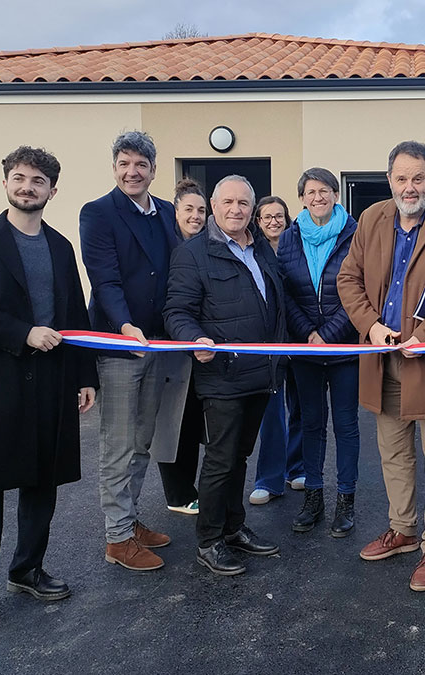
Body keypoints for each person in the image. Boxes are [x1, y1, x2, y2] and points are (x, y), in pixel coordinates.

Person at [0, 146, 98, 635]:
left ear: (53, 189)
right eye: (19, 177)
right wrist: (22, 332)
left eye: (38, 180)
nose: (27, 187)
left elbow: (75, 316)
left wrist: (84, 375)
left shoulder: (60, 247)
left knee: (40, 482)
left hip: (50, 382)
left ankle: (27, 569)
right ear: (6, 182)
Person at [337, 140, 425, 592]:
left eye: (418, 177)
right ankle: (402, 529)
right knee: (394, 453)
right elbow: (349, 278)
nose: (409, 186)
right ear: (389, 181)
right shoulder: (371, 218)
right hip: (382, 358)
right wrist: (371, 327)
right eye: (401, 178)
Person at [164, 175, 286, 577]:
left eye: (244, 204)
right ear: (213, 205)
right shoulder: (193, 254)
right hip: (222, 374)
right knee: (220, 458)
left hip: (261, 373)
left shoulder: (262, 249)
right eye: (228, 202)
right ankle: (210, 539)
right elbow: (176, 311)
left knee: (240, 455)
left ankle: (234, 528)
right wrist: (193, 336)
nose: (236, 210)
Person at [80, 131, 177, 571]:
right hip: (120, 347)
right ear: (114, 167)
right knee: (118, 443)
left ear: (154, 170)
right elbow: (105, 281)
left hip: (157, 343)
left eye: (141, 164)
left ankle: (129, 518)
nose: (132, 171)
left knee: (142, 441)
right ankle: (117, 538)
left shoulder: (168, 214)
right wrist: (124, 327)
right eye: (124, 163)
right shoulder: (98, 214)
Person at [277, 168, 361, 536]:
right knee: (311, 424)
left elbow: (362, 289)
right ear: (302, 198)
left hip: (343, 348)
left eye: (325, 191)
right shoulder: (289, 237)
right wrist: (308, 333)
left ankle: (346, 499)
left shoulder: (355, 233)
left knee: (346, 426)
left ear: (335, 195)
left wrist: (328, 333)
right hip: (305, 348)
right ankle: (313, 496)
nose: (318, 198)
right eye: (310, 192)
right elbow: (285, 293)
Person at [250, 195, 307, 506]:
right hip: (267, 343)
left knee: (299, 406)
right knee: (271, 413)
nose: (273, 221)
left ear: (287, 218)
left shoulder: (296, 249)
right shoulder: (252, 252)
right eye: (266, 217)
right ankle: (268, 479)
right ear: (258, 222)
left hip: (298, 339)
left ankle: (296, 468)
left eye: (279, 216)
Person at [155, 178, 208, 516]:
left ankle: (189, 489)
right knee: (171, 422)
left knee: (191, 423)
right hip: (170, 345)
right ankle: (177, 493)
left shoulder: (207, 246)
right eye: (189, 209)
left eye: (201, 210)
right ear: (176, 212)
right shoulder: (166, 248)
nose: (196, 215)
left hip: (199, 347)